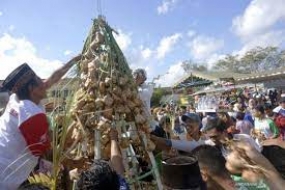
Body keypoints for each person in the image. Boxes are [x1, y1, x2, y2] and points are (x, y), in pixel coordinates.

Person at [0, 55, 81, 190]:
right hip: (5, 176)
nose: (45, 83)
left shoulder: (18, 96)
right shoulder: (29, 113)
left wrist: (75, 60)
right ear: (32, 88)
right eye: (39, 80)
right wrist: (73, 161)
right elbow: (45, 151)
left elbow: (53, 78)